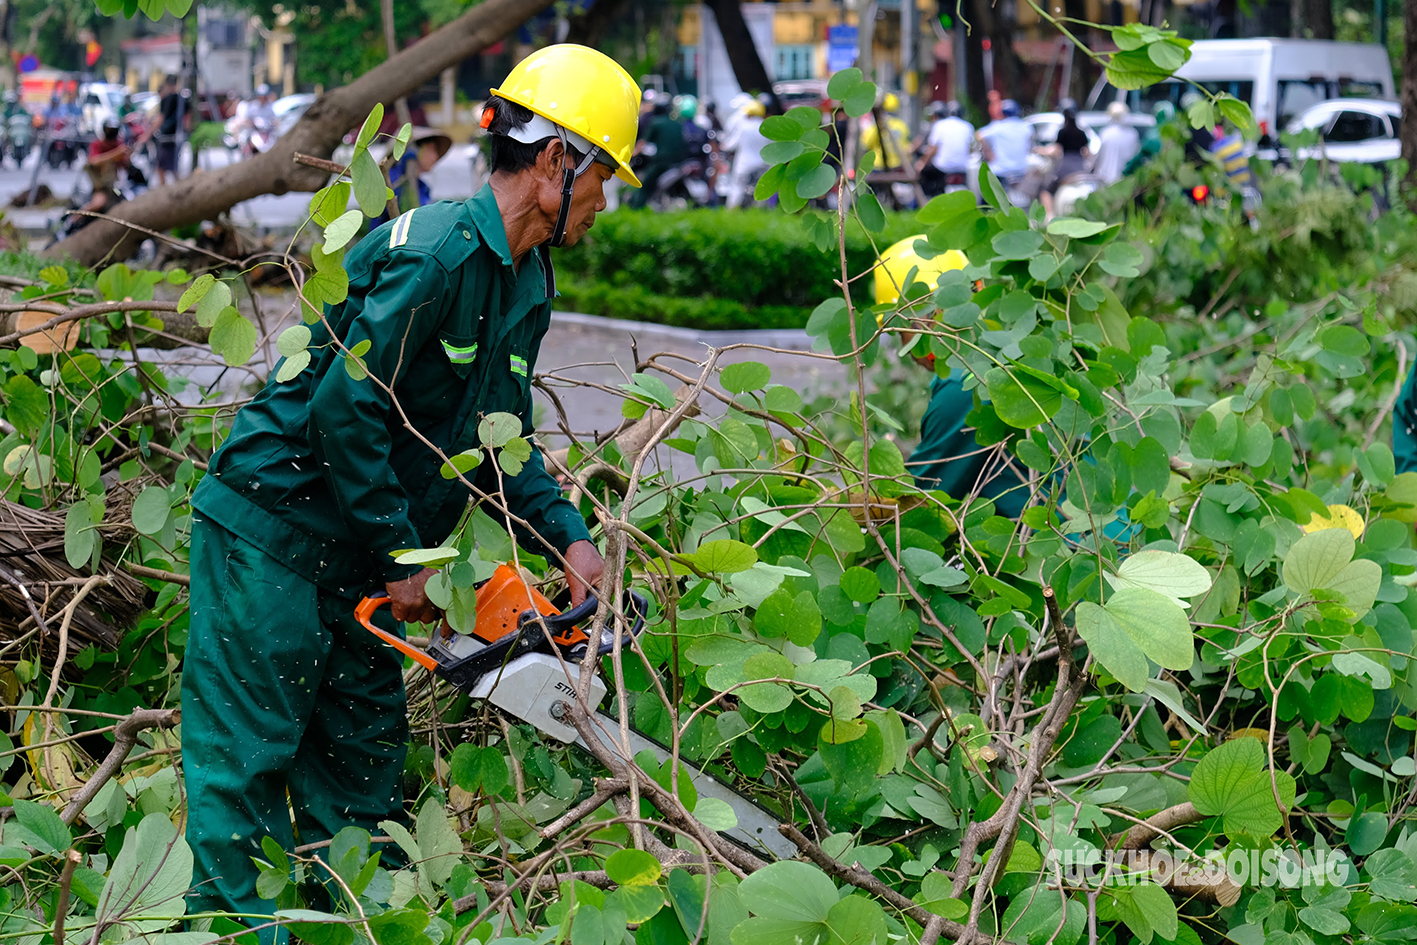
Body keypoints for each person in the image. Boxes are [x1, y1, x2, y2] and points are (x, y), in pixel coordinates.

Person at [181, 43, 633, 941]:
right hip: (272, 533)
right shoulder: (433, 255)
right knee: (244, 775)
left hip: (357, 558)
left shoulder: (526, 281)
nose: (602, 201)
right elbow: (343, 412)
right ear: (554, 162)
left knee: (364, 782)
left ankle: (364, 927)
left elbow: (495, 442)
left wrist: (568, 539)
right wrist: (404, 558)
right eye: (600, 177)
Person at [875, 235, 1027, 516]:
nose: (905, 349)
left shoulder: (964, 386)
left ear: (928, 317)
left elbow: (920, 504)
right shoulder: (1006, 346)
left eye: (900, 331)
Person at [372, 127, 453, 227]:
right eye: (431, 149)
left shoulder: (423, 187)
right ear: (416, 149)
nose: (435, 156)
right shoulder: (390, 179)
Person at [629, 95, 686, 207]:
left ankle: (636, 207)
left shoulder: (655, 123)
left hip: (662, 162)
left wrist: (632, 154)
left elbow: (642, 143)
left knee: (643, 185)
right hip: (679, 163)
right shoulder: (677, 124)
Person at [1040, 104, 1089, 216]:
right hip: (1080, 166)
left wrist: (1041, 151)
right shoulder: (1081, 133)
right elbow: (1087, 152)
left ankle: (1049, 215)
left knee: (1046, 190)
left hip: (1065, 166)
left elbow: (1056, 150)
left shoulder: (1062, 132)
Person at [918, 100, 974, 197]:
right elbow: (970, 148)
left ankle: (926, 199)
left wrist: (921, 164)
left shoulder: (939, 125)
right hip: (962, 167)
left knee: (924, 176)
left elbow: (933, 149)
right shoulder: (968, 126)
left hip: (942, 167)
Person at [723, 99, 769, 209]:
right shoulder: (766, 127)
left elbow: (730, 145)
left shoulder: (743, 126)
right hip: (762, 165)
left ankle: (731, 211)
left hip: (744, 165)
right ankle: (760, 211)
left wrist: (722, 145)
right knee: (762, 190)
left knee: (737, 188)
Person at [976, 99, 1033, 184]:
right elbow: (1030, 145)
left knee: (987, 195)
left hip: (1001, 171)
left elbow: (978, 135)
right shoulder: (1026, 127)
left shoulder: (997, 127)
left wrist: (989, 153)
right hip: (1021, 171)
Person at [81, 118, 130, 215]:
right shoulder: (97, 144)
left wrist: (126, 157)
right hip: (101, 187)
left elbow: (125, 166)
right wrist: (115, 153)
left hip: (114, 188)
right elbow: (94, 161)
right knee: (98, 203)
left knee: (124, 197)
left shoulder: (119, 144)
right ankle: (72, 220)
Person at [1092, 101, 1141, 184]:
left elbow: (1099, 157)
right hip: (1126, 180)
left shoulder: (1105, 133)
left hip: (1106, 180)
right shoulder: (1133, 134)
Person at [154, 74, 184, 185]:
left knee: (161, 168)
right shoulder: (183, 99)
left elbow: (160, 120)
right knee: (173, 168)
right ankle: (179, 190)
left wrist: (145, 136)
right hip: (178, 138)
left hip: (167, 138)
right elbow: (187, 121)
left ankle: (165, 192)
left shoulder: (167, 99)